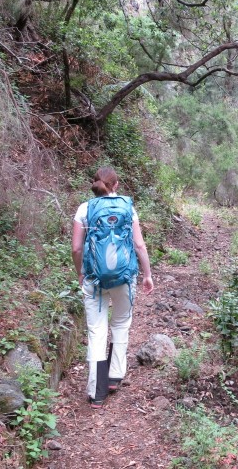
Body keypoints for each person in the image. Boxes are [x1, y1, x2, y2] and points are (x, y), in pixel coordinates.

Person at [71, 167, 154, 408]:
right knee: (120, 323)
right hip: (124, 278)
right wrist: (147, 274)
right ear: (115, 185)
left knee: (97, 330)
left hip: (94, 279)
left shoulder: (84, 209)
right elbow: (139, 245)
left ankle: (97, 392)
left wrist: (80, 272)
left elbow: (76, 248)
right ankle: (114, 376)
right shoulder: (128, 207)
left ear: (96, 184)